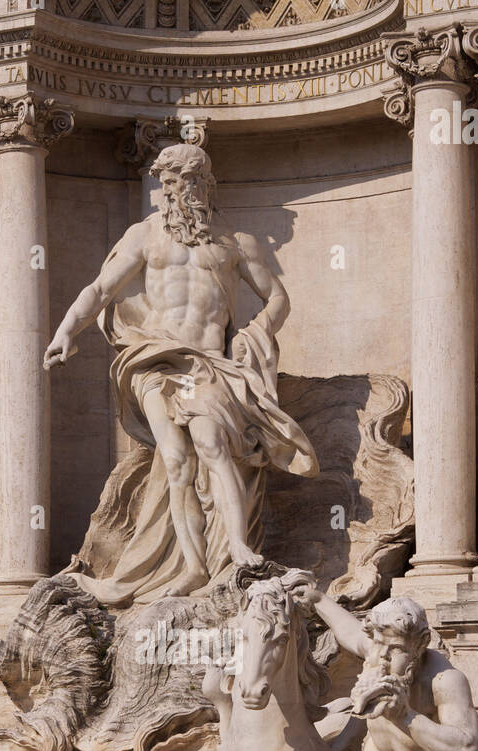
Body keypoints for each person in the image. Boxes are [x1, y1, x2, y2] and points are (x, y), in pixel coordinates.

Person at [44, 143, 317, 604]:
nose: (178, 191)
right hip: (155, 359)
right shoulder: (145, 236)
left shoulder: (235, 243)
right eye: (170, 182)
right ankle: (192, 566)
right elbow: (99, 289)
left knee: (212, 445)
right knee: (176, 459)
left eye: (188, 181)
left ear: (206, 185)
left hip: (206, 363)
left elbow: (278, 297)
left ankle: (236, 547)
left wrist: (256, 333)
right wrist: (66, 331)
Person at [296, 584, 478, 751]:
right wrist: (317, 597)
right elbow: (348, 629)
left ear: (421, 644)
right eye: (377, 644)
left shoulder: (445, 681)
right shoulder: (376, 653)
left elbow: (467, 749)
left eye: (394, 649)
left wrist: (405, 717)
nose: (381, 656)